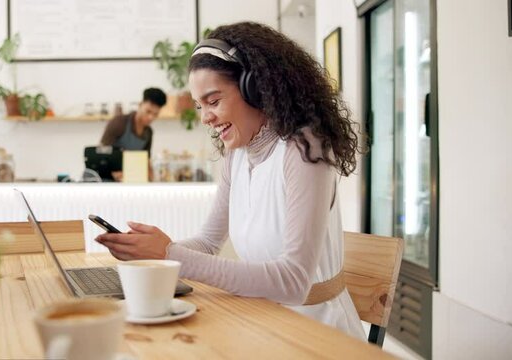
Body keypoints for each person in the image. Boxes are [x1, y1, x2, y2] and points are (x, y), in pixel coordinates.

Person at [95, 22, 365, 340]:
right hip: (260, 321)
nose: (205, 117)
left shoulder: (306, 146)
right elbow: (209, 243)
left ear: (256, 87)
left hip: (316, 333)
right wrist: (150, 255)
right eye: (199, 106)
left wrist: (169, 254)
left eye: (213, 101)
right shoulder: (236, 153)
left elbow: (293, 281)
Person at [100, 87, 167, 155]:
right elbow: (101, 152)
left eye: (155, 114)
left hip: (134, 166)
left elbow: (146, 158)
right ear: (140, 105)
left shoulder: (148, 132)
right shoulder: (119, 123)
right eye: (148, 111)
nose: (151, 118)